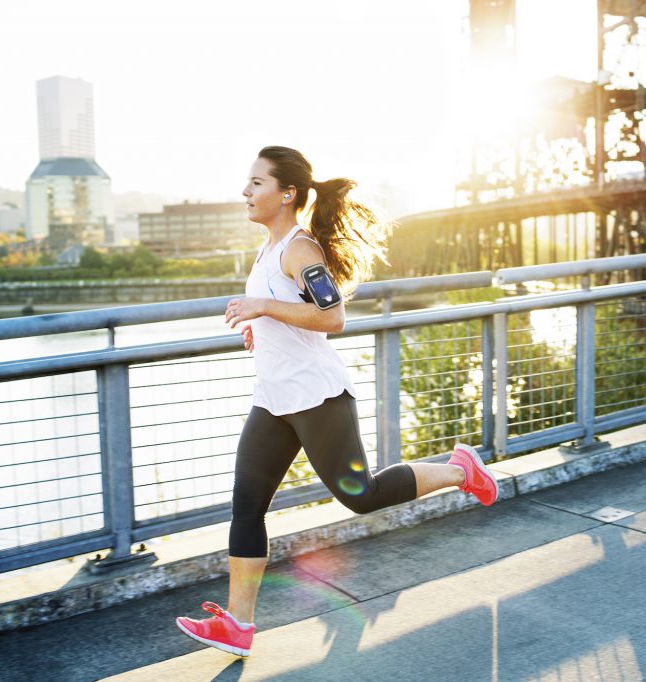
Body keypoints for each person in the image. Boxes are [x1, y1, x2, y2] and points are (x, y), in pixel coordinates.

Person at [174, 146, 498, 657]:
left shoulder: (299, 249)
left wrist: (263, 306)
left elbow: (333, 316)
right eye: (248, 182)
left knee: (360, 495)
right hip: (275, 399)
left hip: (317, 398)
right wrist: (263, 325)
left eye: (257, 183)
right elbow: (293, 313)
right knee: (246, 504)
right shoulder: (268, 248)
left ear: (287, 194)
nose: (245, 191)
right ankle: (238, 623)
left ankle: (461, 469)